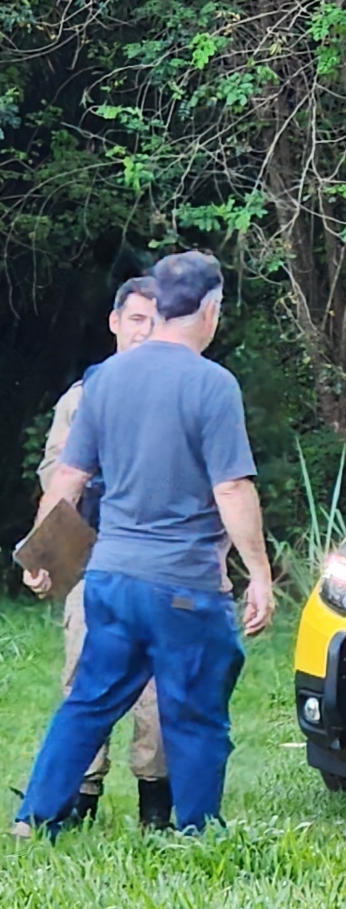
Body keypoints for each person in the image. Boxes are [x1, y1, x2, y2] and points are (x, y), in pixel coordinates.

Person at [12, 251, 274, 839]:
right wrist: (258, 571)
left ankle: (35, 817)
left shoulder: (105, 381)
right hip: (184, 585)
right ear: (209, 309)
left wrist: (42, 554)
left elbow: (68, 481)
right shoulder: (212, 384)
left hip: (111, 580)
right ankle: (198, 831)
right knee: (197, 714)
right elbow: (231, 486)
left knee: (89, 702)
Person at [24, 276, 172, 829]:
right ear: (115, 323)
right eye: (136, 319)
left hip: (165, 569)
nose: (145, 331)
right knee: (85, 680)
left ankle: (157, 811)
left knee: (160, 693)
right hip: (94, 566)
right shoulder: (81, 399)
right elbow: (60, 487)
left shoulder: (189, 394)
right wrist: (43, 557)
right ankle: (76, 802)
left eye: (157, 321)